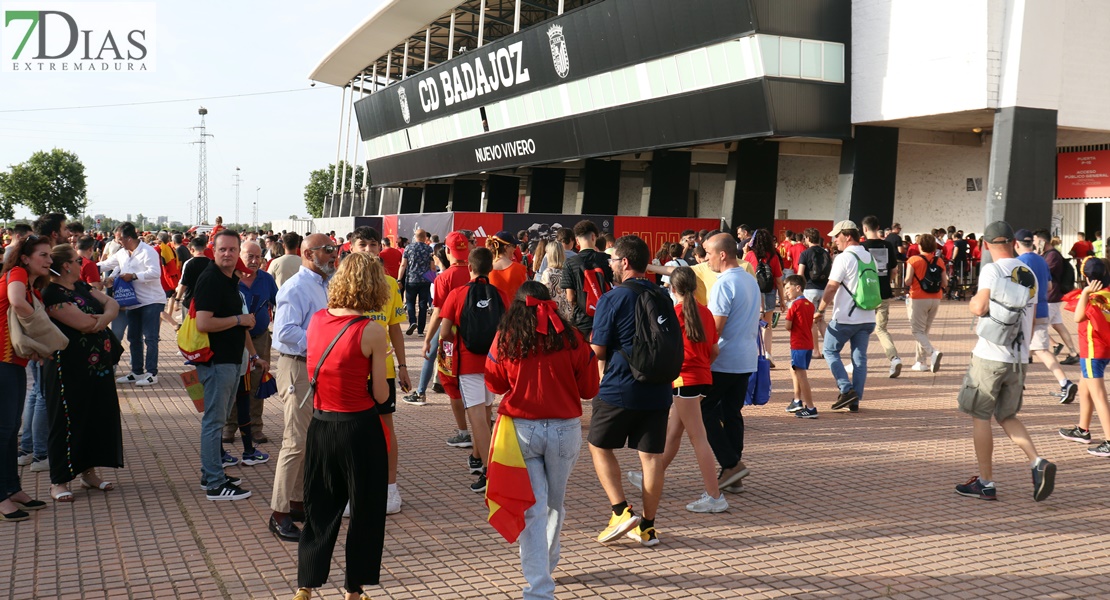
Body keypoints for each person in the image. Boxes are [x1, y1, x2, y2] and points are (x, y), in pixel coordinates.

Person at [484, 281, 599, 599]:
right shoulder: (572, 336)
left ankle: (539, 586)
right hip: (564, 429)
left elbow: (494, 382)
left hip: (521, 430)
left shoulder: (506, 337)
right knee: (553, 505)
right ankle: (545, 569)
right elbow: (590, 388)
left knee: (533, 508)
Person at [292, 252, 391, 600]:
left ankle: (306, 583)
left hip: (321, 425)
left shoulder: (318, 319)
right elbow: (380, 395)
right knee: (365, 509)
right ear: (374, 287)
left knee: (320, 506)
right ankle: (354, 588)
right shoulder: (372, 330)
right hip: (359, 428)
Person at [955, 221, 1055, 502]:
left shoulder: (992, 270)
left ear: (985, 245)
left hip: (990, 354)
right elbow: (1033, 318)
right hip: (1019, 357)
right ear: (1013, 241)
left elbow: (979, 306)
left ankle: (985, 482)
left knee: (981, 415)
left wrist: (973, 301)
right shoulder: (1029, 273)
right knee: (1007, 416)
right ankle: (1038, 462)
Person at [587, 235, 675, 547]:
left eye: (612, 260)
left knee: (598, 445)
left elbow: (597, 350)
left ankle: (621, 511)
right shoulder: (662, 295)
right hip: (660, 387)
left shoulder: (614, 297)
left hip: (620, 387)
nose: (609, 264)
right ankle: (648, 527)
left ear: (624, 263)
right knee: (651, 458)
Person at [626, 266, 726, 512]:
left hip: (684, 380)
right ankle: (651, 476)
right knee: (673, 433)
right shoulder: (705, 312)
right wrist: (701, 367)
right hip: (700, 378)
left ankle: (715, 496)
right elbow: (714, 351)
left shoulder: (674, 313)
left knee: (697, 437)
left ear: (672, 288)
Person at [41, 244, 123, 502]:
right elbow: (84, 323)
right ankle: (59, 480)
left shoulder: (80, 287)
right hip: (68, 369)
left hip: (96, 368)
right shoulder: (52, 293)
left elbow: (111, 303)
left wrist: (101, 320)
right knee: (66, 420)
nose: (82, 263)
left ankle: (89, 473)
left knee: (94, 416)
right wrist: (99, 321)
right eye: (77, 260)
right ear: (66, 265)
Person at [269, 234, 337, 541]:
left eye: (334, 249)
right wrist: (323, 342)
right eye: (328, 250)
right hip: (296, 366)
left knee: (308, 441)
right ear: (309, 253)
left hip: (312, 367)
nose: (334, 255)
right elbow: (284, 332)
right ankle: (279, 513)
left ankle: (297, 504)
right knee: (295, 441)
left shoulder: (323, 284)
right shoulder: (296, 287)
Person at [194, 230, 266, 501]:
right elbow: (204, 323)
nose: (227, 254)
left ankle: (211, 474)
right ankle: (214, 483)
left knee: (217, 419)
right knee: (214, 421)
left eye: (232, 250)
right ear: (214, 250)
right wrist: (239, 320)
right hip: (217, 361)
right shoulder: (211, 279)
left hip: (230, 360)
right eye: (222, 249)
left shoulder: (227, 279)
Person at [439, 247, 511, 492]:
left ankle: (493, 474)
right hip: (495, 362)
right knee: (487, 412)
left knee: (477, 419)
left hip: (468, 364)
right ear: (491, 268)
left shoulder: (457, 294)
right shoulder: (501, 295)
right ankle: (478, 459)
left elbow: (444, 332)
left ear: (469, 267)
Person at [349, 226, 410, 515]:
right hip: (350, 371)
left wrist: (404, 366)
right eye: (363, 244)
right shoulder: (342, 283)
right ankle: (352, 489)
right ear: (351, 248)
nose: (369, 250)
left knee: (385, 430)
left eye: (374, 244)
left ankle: (389, 489)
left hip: (382, 371)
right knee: (350, 432)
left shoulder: (390, 284)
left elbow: (396, 329)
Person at [702, 233, 760, 493]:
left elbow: (715, 329)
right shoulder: (749, 279)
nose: (706, 259)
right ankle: (732, 473)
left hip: (724, 359)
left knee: (704, 412)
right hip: (746, 357)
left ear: (722, 254)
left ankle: (730, 464)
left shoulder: (723, 284)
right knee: (732, 414)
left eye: (708, 254)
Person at [1, 237, 52, 522]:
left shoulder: (33, 284)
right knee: (3, 430)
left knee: (10, 429)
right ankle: (1, 497)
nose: (48, 260)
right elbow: (17, 303)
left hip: (12, 362)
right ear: (24, 258)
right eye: (43, 255)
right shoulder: (17, 274)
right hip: (1, 362)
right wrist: (45, 334)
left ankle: (12, 488)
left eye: (50, 256)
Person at [421, 232, 477, 452]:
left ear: (446, 251)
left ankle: (463, 432)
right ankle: (482, 428)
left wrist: (427, 340)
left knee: (451, 385)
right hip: (477, 339)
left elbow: (437, 313)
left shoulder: (444, 277)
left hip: (449, 340)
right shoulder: (477, 273)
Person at [221, 241, 278, 446]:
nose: (254, 261)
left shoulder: (267, 279)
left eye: (258, 257)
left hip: (260, 338)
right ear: (239, 256)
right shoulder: (229, 280)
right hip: (233, 340)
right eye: (249, 256)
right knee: (232, 382)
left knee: (257, 382)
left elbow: (278, 303)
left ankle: (255, 428)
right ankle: (230, 426)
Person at [817, 221, 877, 412]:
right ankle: (855, 400)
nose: (835, 240)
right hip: (868, 316)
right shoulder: (869, 257)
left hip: (846, 316)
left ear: (847, 236)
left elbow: (832, 287)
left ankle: (846, 389)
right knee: (859, 359)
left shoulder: (844, 258)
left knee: (829, 350)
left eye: (837, 236)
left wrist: (820, 310)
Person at [98, 222, 165, 386]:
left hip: (151, 300)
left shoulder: (148, 251)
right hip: (133, 301)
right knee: (133, 337)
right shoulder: (122, 253)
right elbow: (107, 265)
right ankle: (136, 371)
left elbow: (155, 272)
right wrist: (84, 267)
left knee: (150, 337)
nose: (118, 241)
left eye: (120, 238)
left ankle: (151, 373)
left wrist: (134, 276)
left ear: (128, 237)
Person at [1014, 230, 1077, 403]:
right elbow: (1049, 286)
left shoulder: (1018, 262)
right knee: (1040, 349)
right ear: (1032, 243)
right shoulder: (1041, 260)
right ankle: (1064, 383)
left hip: (1024, 312)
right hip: (1041, 309)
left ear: (1016, 244)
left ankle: (1016, 385)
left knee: (1017, 348)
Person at [1060, 259, 1110, 455]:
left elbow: (1078, 316)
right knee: (1084, 388)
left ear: (1086, 278)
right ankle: (1082, 429)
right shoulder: (1107, 292)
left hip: (1092, 351)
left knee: (1098, 395)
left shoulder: (1093, 296)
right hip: (1103, 349)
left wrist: (1086, 293)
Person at [860, 216, 904, 377]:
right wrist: (886, 282)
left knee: (860, 329)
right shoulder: (887, 245)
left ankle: (857, 360)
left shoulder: (861, 247)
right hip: (884, 292)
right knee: (881, 329)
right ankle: (894, 358)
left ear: (864, 229)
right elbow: (894, 270)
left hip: (865, 294)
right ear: (878, 227)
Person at [561, 220, 614, 340]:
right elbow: (616, 283)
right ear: (594, 237)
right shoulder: (606, 259)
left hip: (582, 319)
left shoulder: (570, 263)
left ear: (577, 241)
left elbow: (570, 297)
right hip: (605, 314)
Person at [902, 233, 948, 373]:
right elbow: (945, 283)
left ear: (920, 245)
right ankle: (921, 362)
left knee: (917, 330)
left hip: (918, 298)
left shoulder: (913, 260)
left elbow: (908, 281)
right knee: (924, 331)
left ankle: (932, 352)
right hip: (935, 298)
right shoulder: (939, 261)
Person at [1037, 230, 1080, 364]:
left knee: (1038, 326)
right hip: (1052, 296)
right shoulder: (1047, 254)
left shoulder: (1053, 255)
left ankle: (1036, 353)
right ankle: (1072, 352)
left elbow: (1044, 272)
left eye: (1035, 241)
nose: (1033, 244)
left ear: (1043, 241)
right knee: (1058, 325)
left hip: (1051, 296)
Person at [743, 229, 785, 366]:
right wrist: (782, 300)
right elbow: (778, 280)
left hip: (752, 293)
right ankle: (767, 353)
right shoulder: (774, 256)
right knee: (767, 326)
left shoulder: (749, 255)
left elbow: (742, 273)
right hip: (769, 292)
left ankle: (753, 354)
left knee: (751, 324)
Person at [783, 275, 817, 418]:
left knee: (802, 375)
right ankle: (797, 400)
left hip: (798, 344)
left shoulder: (795, 305)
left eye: (788, 288)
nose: (786, 292)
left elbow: (787, 326)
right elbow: (810, 324)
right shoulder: (810, 305)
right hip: (807, 344)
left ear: (798, 288)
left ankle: (810, 407)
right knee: (794, 369)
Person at [795, 228, 830, 357]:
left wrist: (800, 288)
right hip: (824, 289)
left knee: (811, 321)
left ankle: (815, 350)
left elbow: (800, 273)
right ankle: (829, 348)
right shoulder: (826, 253)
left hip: (810, 288)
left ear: (808, 239)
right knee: (821, 320)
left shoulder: (805, 253)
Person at [397, 229, 434, 336]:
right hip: (425, 280)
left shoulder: (408, 248)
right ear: (425, 237)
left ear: (415, 236)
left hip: (411, 279)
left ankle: (412, 321)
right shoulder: (428, 249)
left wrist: (399, 279)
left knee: (410, 302)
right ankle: (421, 331)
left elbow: (403, 265)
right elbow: (432, 267)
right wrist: (433, 280)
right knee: (423, 304)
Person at [538, 238, 574, 320]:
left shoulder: (548, 273)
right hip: (567, 314)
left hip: (552, 315)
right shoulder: (567, 271)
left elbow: (543, 295)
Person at [487, 231, 529, 299]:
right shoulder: (520, 269)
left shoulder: (486, 269)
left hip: (493, 308)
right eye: (514, 246)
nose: (515, 249)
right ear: (506, 247)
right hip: (515, 309)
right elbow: (526, 294)